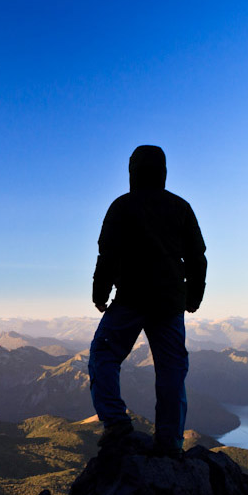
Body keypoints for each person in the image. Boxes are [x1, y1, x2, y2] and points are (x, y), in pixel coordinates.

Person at [88, 145, 207, 454]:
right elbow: (197, 258)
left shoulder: (122, 206)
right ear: (163, 172)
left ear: (133, 172)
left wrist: (100, 294)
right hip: (169, 304)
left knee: (103, 355)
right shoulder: (180, 207)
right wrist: (193, 297)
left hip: (130, 299)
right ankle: (169, 442)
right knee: (171, 372)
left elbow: (108, 254)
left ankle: (115, 422)